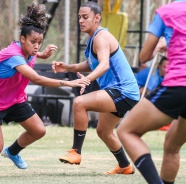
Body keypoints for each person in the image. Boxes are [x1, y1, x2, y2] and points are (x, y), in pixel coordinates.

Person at [0, 3, 90, 170]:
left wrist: (42, 55)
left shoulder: (29, 51)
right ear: (22, 39)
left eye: (40, 42)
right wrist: (69, 82)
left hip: (13, 99)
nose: (37, 46)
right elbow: (36, 79)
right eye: (33, 42)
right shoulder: (13, 55)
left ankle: (13, 152)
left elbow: (29, 55)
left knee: (38, 130)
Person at [52, 0, 140, 174]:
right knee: (104, 131)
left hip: (123, 90)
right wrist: (69, 67)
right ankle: (125, 166)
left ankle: (76, 152)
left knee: (79, 103)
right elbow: (91, 63)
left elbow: (104, 64)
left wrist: (87, 80)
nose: (81, 21)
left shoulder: (101, 37)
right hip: (120, 92)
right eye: (79, 17)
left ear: (97, 18)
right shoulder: (93, 38)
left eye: (85, 17)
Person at [117, 1, 186, 183]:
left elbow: (144, 57)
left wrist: (159, 45)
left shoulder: (166, 12)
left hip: (179, 85)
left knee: (126, 130)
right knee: (172, 145)